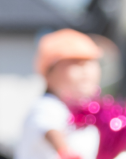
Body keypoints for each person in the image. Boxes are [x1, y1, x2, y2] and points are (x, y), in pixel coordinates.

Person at [15, 29, 103, 159]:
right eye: (74, 63)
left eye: (90, 62)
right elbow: (52, 131)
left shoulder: (90, 112)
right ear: (49, 74)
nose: (86, 70)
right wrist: (66, 152)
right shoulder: (46, 106)